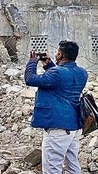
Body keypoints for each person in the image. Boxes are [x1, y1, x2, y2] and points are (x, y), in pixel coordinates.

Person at [25, 40, 88, 173]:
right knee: (72, 165)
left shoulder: (57, 74)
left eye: (56, 53)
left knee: (52, 167)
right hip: (74, 127)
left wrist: (32, 62)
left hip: (58, 128)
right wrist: (49, 65)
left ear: (60, 55)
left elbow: (30, 79)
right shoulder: (82, 72)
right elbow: (62, 79)